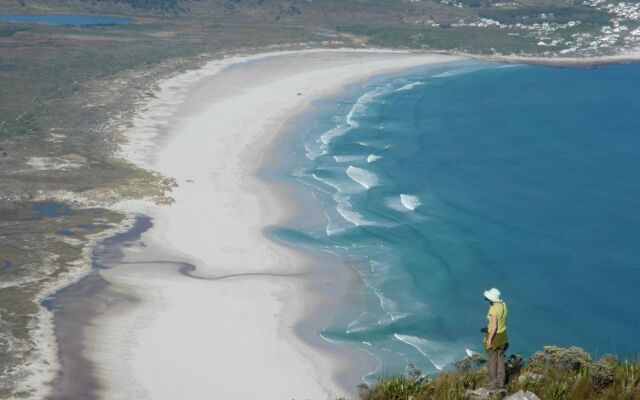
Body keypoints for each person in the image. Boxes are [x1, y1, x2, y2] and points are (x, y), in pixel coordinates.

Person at [483, 287, 508, 389]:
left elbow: (494, 327)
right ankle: (501, 382)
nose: (487, 301)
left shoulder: (494, 309)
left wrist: (489, 340)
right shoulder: (503, 305)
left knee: (492, 360)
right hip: (503, 335)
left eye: (487, 299)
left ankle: (492, 384)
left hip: (495, 336)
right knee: (500, 358)